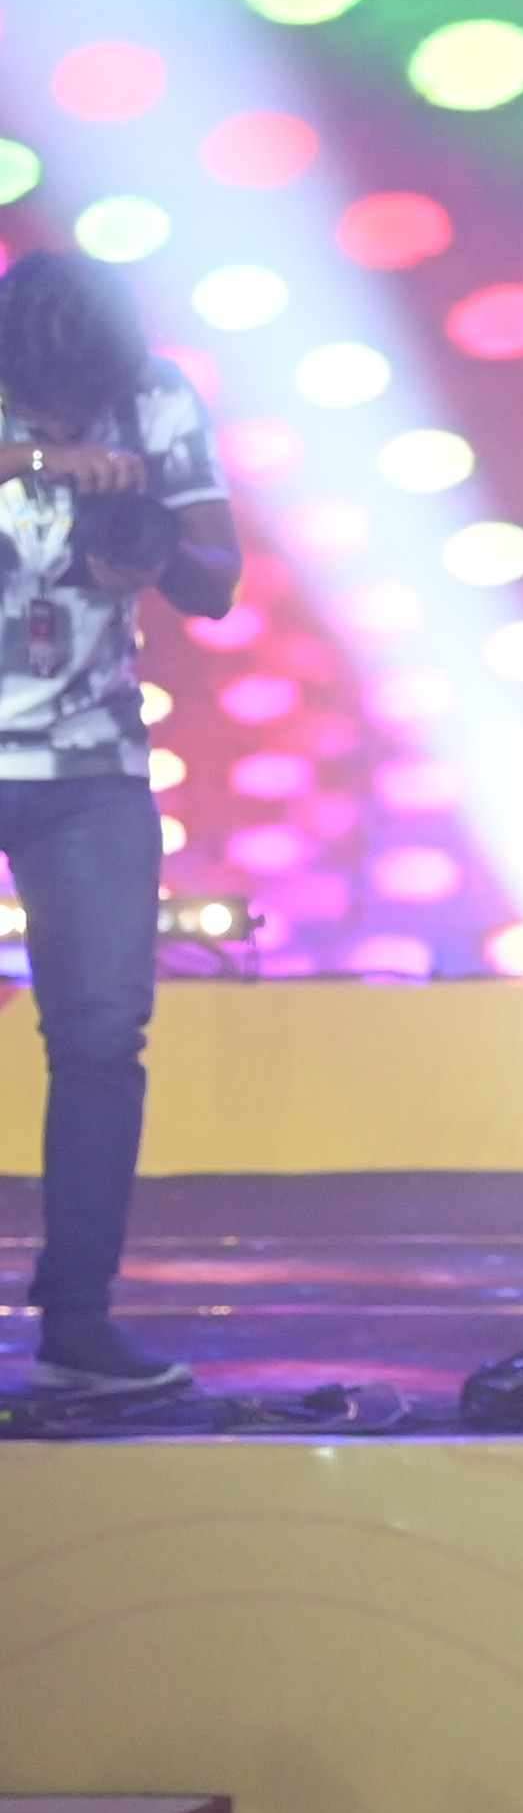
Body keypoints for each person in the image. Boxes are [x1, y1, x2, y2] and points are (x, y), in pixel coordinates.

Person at [0, 249, 241, 1396]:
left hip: (90, 766)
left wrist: (147, 545)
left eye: (79, 404)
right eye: (41, 403)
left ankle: (78, 1317)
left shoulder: (155, 398)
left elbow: (216, 577)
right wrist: (46, 460)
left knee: (100, 1037)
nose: (66, 417)